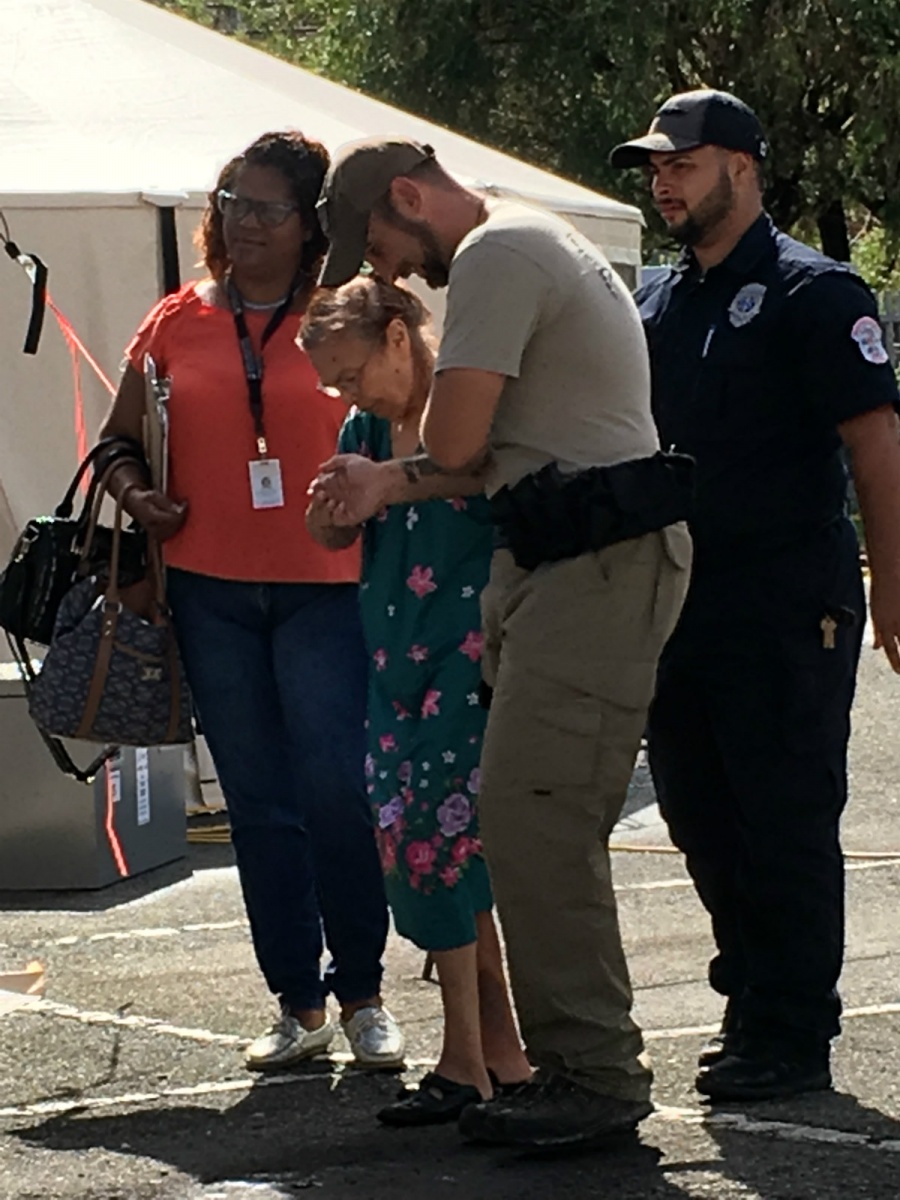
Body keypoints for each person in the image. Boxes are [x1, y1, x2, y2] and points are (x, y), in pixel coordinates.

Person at [314, 137, 693, 1149]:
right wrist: (396, 480)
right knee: (525, 823)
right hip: (568, 553)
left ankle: (595, 1076)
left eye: (382, 246)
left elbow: (458, 440)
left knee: (536, 823)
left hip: (596, 556)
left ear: (408, 197)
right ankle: (575, 1069)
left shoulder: (495, 252)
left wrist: (395, 475)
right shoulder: (528, 241)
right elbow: (476, 461)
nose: (388, 272)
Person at [610, 89, 900, 1101]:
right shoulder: (655, 303)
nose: (664, 182)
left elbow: (875, 444)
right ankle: (753, 999)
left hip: (786, 595)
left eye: (681, 163)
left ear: (742, 164)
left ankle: (790, 1029)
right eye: (654, 168)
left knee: (783, 813)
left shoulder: (814, 292)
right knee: (700, 810)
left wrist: (895, 588)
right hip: (678, 600)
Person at [97, 131, 404, 1073]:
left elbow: (414, 427)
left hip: (329, 589)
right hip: (210, 590)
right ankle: (296, 1002)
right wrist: (140, 495)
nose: (244, 225)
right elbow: (116, 445)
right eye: (231, 204)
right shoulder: (176, 320)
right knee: (260, 804)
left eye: (267, 209)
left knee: (335, 791)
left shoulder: (352, 313)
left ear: (312, 225)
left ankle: (364, 994)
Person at [299, 276, 533, 1125]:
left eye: (352, 372)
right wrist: (332, 507)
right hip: (393, 656)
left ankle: (463, 1058)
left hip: (465, 653)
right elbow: (331, 529)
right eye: (334, 382)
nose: (346, 393)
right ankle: (500, 1051)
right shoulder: (364, 429)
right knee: (420, 842)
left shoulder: (462, 415)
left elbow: (491, 483)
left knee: (440, 843)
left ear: (400, 336)